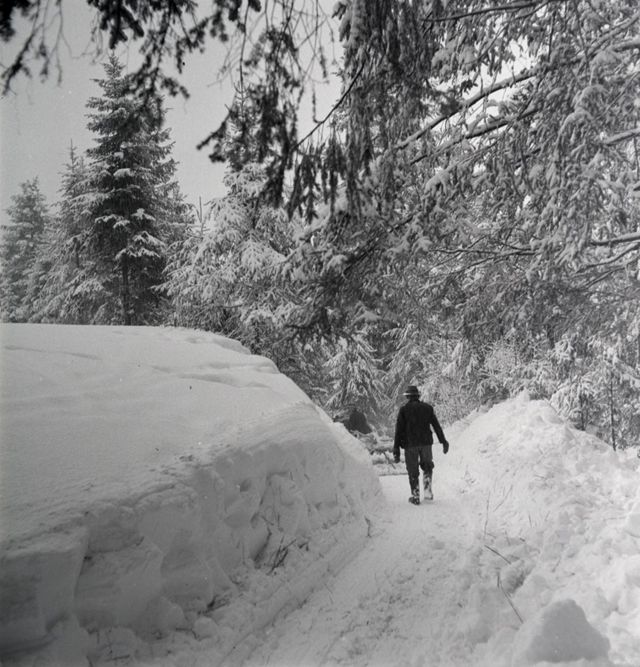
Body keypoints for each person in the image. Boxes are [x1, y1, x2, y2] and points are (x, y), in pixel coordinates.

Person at [393, 385, 449, 505]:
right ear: (418, 396)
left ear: (408, 397)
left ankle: (415, 496)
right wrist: (443, 441)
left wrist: (396, 448)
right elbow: (436, 426)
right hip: (425, 443)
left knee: (412, 470)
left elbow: (398, 430)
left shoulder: (404, 410)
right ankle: (427, 492)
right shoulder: (427, 408)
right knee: (427, 466)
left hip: (410, 445)